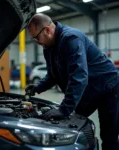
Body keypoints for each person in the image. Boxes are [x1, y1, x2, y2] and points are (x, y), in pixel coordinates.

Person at [26, 13, 119, 150]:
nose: (37, 42)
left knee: (109, 135)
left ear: (47, 30)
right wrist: (37, 87)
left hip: (108, 87)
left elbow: (79, 76)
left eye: (36, 37)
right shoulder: (48, 48)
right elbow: (53, 75)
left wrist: (64, 109)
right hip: (90, 89)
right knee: (73, 125)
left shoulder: (71, 39)